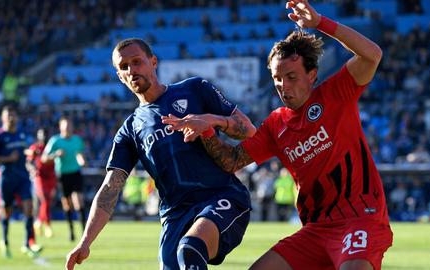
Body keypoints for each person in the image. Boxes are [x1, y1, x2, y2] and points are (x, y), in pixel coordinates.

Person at [162, 1, 393, 269]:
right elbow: (232, 161)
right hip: (316, 230)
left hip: (360, 218)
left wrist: (321, 24)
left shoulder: (336, 93)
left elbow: (372, 55)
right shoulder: (276, 123)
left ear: (312, 75)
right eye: (277, 79)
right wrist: (209, 131)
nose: (283, 86)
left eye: (291, 76)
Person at [65, 38, 256, 270]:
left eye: (137, 62)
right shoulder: (130, 131)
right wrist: (85, 241)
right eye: (124, 67)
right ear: (119, 77)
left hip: (221, 196)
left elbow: (247, 129)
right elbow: (110, 188)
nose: (131, 70)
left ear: (153, 62)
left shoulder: (194, 89)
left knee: (190, 247)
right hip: (175, 216)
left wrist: (210, 120)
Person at [0, 105, 42, 258]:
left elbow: (22, 153)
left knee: (29, 208)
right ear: (3, 118)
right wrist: (8, 159)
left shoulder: (21, 134)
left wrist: (30, 153)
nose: (11, 118)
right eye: (8, 115)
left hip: (22, 177)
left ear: (17, 117)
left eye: (13, 115)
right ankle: (5, 241)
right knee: (6, 211)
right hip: (7, 178)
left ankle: (27, 244)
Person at [42, 117, 87, 242]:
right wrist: (56, 154)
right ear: (60, 127)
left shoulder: (77, 140)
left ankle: (85, 232)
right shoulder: (55, 141)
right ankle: (71, 231)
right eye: (65, 126)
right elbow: (44, 158)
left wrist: (82, 161)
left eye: (69, 126)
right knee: (67, 204)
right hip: (62, 175)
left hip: (75, 173)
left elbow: (80, 154)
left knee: (79, 201)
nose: (67, 128)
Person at [26, 128, 57, 238]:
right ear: (38, 136)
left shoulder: (52, 147)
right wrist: (32, 169)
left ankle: (39, 222)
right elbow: (29, 162)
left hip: (51, 178)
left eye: (45, 134)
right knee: (44, 200)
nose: (44, 137)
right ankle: (46, 224)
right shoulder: (35, 148)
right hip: (39, 177)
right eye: (41, 135)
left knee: (48, 201)